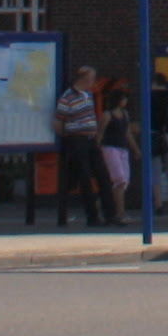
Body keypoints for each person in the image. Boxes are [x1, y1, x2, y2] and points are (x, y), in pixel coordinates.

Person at [56, 65, 110, 229]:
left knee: (103, 175)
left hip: (91, 139)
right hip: (77, 140)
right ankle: (92, 216)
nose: (93, 82)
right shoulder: (67, 97)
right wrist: (68, 135)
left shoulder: (88, 95)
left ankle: (111, 213)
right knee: (85, 178)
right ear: (84, 78)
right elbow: (58, 121)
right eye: (92, 78)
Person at [98, 82, 138, 227]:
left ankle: (107, 206)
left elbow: (127, 133)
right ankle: (120, 214)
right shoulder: (107, 115)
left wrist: (136, 150)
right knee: (119, 179)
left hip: (123, 149)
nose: (125, 101)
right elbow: (100, 134)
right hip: (110, 148)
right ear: (118, 100)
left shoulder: (125, 115)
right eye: (124, 98)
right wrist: (97, 151)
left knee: (124, 182)